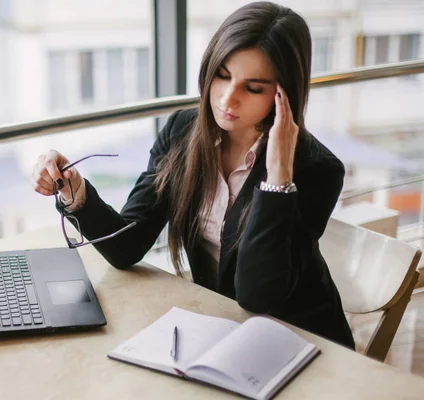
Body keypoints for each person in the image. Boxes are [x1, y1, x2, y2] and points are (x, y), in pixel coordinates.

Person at [31, 1, 355, 349]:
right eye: (223, 75)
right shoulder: (182, 132)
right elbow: (127, 245)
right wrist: (72, 188)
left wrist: (277, 178)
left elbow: (258, 296)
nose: (228, 100)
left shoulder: (316, 168)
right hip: (223, 329)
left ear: (284, 94)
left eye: (253, 88)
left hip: (301, 340)